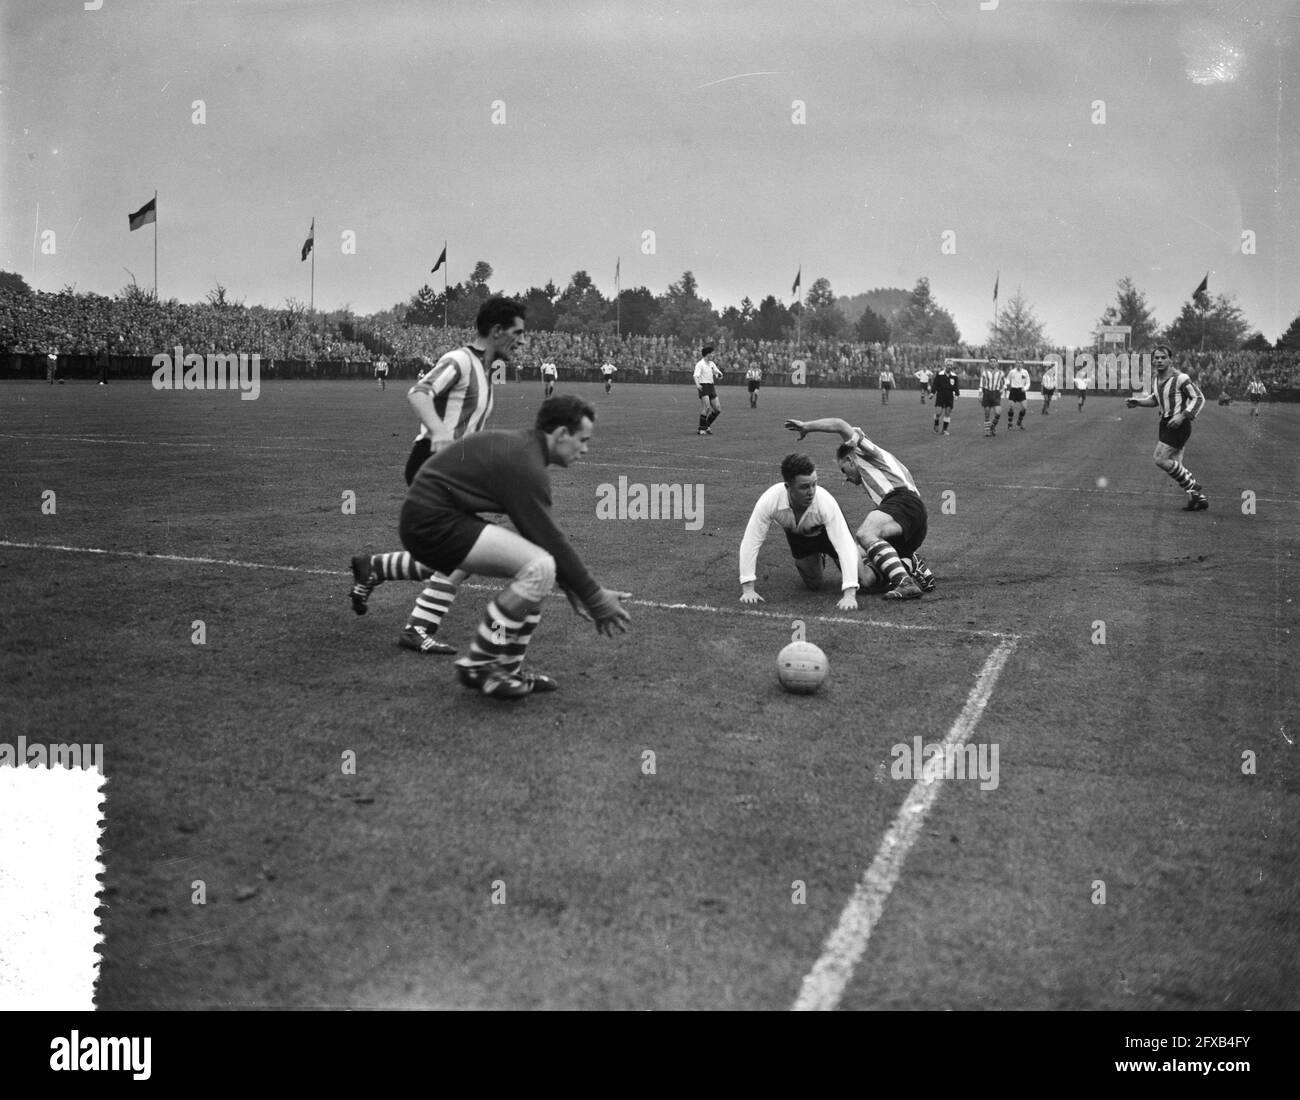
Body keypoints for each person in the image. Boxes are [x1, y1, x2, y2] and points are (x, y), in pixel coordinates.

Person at [358, 396, 631, 700]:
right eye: (583, 439)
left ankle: (506, 670)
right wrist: (593, 595)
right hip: (431, 523)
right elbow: (550, 539)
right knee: (539, 567)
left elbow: (544, 542)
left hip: (438, 517)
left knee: (539, 571)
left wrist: (574, 588)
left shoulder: (525, 452)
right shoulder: (525, 465)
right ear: (561, 435)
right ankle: (481, 664)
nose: (586, 448)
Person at [350, 296, 527, 657]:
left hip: (454, 472)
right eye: (517, 332)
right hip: (432, 466)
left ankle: (375, 567)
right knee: (464, 551)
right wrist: (437, 430)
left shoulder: (484, 368)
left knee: (454, 552)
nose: (522, 341)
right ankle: (416, 628)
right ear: (496, 331)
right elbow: (419, 392)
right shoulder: (460, 360)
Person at [784, 416, 934, 600]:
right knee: (860, 570)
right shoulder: (874, 472)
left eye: (843, 470)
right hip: (911, 523)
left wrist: (807, 426)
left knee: (864, 534)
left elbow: (840, 425)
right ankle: (910, 564)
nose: (846, 478)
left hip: (905, 501)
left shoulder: (864, 452)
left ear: (850, 459)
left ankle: (905, 583)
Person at [738, 454, 860, 611]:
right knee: (814, 585)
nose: (811, 492)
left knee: (864, 581)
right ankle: (818, 556)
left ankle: (866, 552)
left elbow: (844, 544)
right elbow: (751, 541)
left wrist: (849, 594)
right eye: (804, 487)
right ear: (788, 487)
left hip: (826, 534)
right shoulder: (770, 500)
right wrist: (748, 589)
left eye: (814, 484)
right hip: (799, 538)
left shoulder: (825, 501)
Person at [1125, 344, 1208, 511]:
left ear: (1171, 360)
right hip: (1165, 423)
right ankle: (1198, 499)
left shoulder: (1181, 378)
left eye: (1163, 357)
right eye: (1156, 357)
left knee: (1160, 458)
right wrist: (1139, 402)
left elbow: (1199, 398)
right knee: (1176, 464)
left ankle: (1193, 484)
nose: (1159, 360)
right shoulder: (1156, 379)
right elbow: (1156, 399)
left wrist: (1182, 415)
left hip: (1179, 424)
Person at [693, 345, 723, 435]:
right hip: (703, 386)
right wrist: (698, 385)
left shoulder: (712, 364)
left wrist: (719, 375)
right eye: (712, 353)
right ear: (708, 354)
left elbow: (718, 373)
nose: (713, 355)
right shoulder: (700, 364)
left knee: (717, 409)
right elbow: (695, 375)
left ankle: (706, 426)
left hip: (711, 387)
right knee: (706, 407)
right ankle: (701, 429)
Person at [929, 363, 960, 435]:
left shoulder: (954, 376)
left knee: (947, 413)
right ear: (945, 366)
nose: (949, 367)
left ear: (952, 367)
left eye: (950, 365)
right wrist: (932, 393)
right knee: (938, 413)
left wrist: (957, 394)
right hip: (940, 395)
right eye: (948, 365)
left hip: (949, 396)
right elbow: (935, 384)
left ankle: (944, 430)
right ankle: (936, 424)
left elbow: (956, 386)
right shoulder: (940, 375)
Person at [980, 355, 1006, 437]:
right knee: (987, 413)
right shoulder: (985, 372)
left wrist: (1003, 390)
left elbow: (1004, 383)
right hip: (987, 393)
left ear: (997, 363)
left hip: (996, 393)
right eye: (991, 361)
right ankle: (987, 431)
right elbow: (981, 384)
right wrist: (980, 393)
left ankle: (993, 426)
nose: (993, 363)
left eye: (994, 361)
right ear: (988, 363)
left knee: (998, 412)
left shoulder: (1001, 373)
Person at [1005, 358, 1032, 431]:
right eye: (1018, 363)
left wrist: (1025, 388)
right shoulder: (1012, 372)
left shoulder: (1025, 372)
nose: (1019, 364)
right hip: (1013, 390)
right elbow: (1007, 379)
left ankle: (1019, 421)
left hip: (1021, 391)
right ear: (1015, 364)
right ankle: (1010, 423)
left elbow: (1028, 382)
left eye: (1020, 363)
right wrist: (1007, 383)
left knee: (1024, 407)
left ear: (1022, 364)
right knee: (1011, 407)